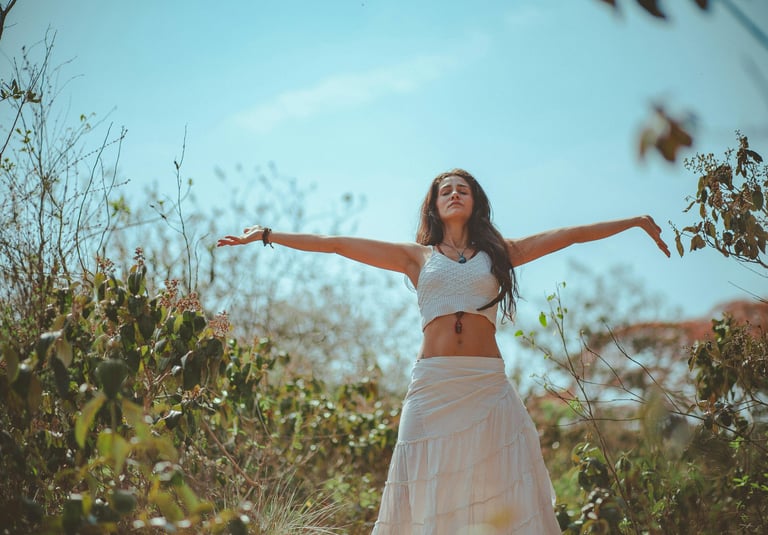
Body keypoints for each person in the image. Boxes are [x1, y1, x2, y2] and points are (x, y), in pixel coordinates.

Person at [217, 168, 670, 534]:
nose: (454, 194)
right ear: (434, 205)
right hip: (433, 386)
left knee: (499, 487)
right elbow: (335, 245)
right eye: (445, 190)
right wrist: (268, 235)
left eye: (463, 189)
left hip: (485, 385)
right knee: (423, 484)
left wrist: (631, 221)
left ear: (476, 201)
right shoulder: (415, 256)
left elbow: (569, 234)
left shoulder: (500, 253)